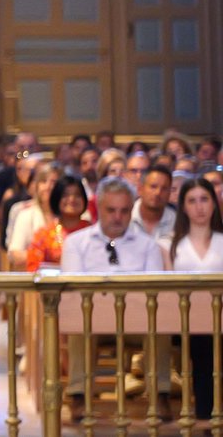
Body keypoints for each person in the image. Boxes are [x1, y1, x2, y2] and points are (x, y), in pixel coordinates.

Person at [61, 177, 165, 422]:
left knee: (160, 326)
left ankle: (159, 394)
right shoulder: (77, 243)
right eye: (111, 210)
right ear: (99, 208)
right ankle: (79, 395)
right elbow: (75, 289)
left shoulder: (148, 246)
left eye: (124, 211)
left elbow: (154, 291)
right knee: (80, 326)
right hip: (92, 318)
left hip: (138, 321)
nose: (118, 217)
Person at [160, 178, 223, 419]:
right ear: (183, 206)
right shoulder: (169, 244)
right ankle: (206, 419)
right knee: (203, 349)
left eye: (205, 199)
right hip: (185, 321)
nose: (199, 207)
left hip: (220, 317)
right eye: (192, 201)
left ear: (214, 204)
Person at [25, 175, 90, 271]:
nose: (72, 199)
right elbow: (33, 268)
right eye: (66, 195)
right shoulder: (44, 234)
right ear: (57, 199)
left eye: (77, 195)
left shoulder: (93, 232)